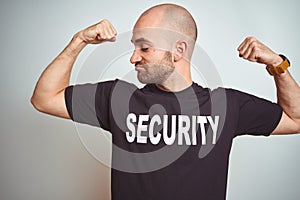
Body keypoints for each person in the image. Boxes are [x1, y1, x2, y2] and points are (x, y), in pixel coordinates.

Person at [31, 3, 300, 200]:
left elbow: (295, 119)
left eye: (144, 47)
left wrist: (277, 65)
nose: (133, 58)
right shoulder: (117, 98)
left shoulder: (226, 105)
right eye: (135, 47)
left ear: (178, 50)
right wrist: (78, 41)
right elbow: (44, 99)